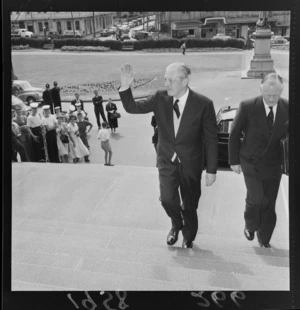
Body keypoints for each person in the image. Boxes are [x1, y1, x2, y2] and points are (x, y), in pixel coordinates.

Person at [119, 62, 218, 249]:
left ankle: (188, 235)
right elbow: (132, 107)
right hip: (166, 161)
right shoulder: (159, 98)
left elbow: (212, 140)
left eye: (171, 80)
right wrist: (125, 87)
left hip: (191, 164)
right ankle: (176, 223)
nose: (166, 83)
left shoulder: (204, 104)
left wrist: (211, 170)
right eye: (165, 78)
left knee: (190, 205)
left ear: (185, 81)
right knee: (167, 199)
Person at [228, 73, 289, 248]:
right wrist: (234, 161)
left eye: (275, 95)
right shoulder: (247, 106)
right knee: (256, 198)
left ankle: (264, 239)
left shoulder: (289, 107)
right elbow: (234, 133)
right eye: (267, 94)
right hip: (251, 161)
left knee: (269, 202)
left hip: (274, 164)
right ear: (261, 89)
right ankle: (250, 225)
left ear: (281, 90)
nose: (271, 98)